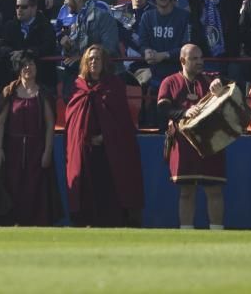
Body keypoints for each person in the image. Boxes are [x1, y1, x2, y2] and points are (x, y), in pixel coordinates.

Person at [64, 45, 144, 227]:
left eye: (97, 58)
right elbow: (73, 118)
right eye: (90, 59)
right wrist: (83, 136)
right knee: (84, 188)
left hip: (109, 151)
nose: (94, 62)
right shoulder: (78, 86)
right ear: (85, 62)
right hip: (84, 149)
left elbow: (120, 119)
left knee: (109, 188)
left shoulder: (114, 85)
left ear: (104, 62)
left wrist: (105, 136)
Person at [157, 44, 228, 229]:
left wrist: (220, 90)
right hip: (183, 142)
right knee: (186, 191)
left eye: (201, 58)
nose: (199, 62)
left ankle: (217, 232)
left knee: (214, 189)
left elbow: (230, 86)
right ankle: (186, 232)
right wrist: (185, 112)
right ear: (182, 61)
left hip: (211, 140)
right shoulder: (170, 82)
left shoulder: (210, 80)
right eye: (194, 59)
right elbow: (163, 108)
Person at [0, 50, 58, 226]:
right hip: (12, 151)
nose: (28, 67)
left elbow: (50, 125)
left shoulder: (44, 94)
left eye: (31, 64)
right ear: (18, 69)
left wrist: (47, 151)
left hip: (37, 150)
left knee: (35, 190)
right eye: (24, 64)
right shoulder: (10, 92)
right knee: (12, 187)